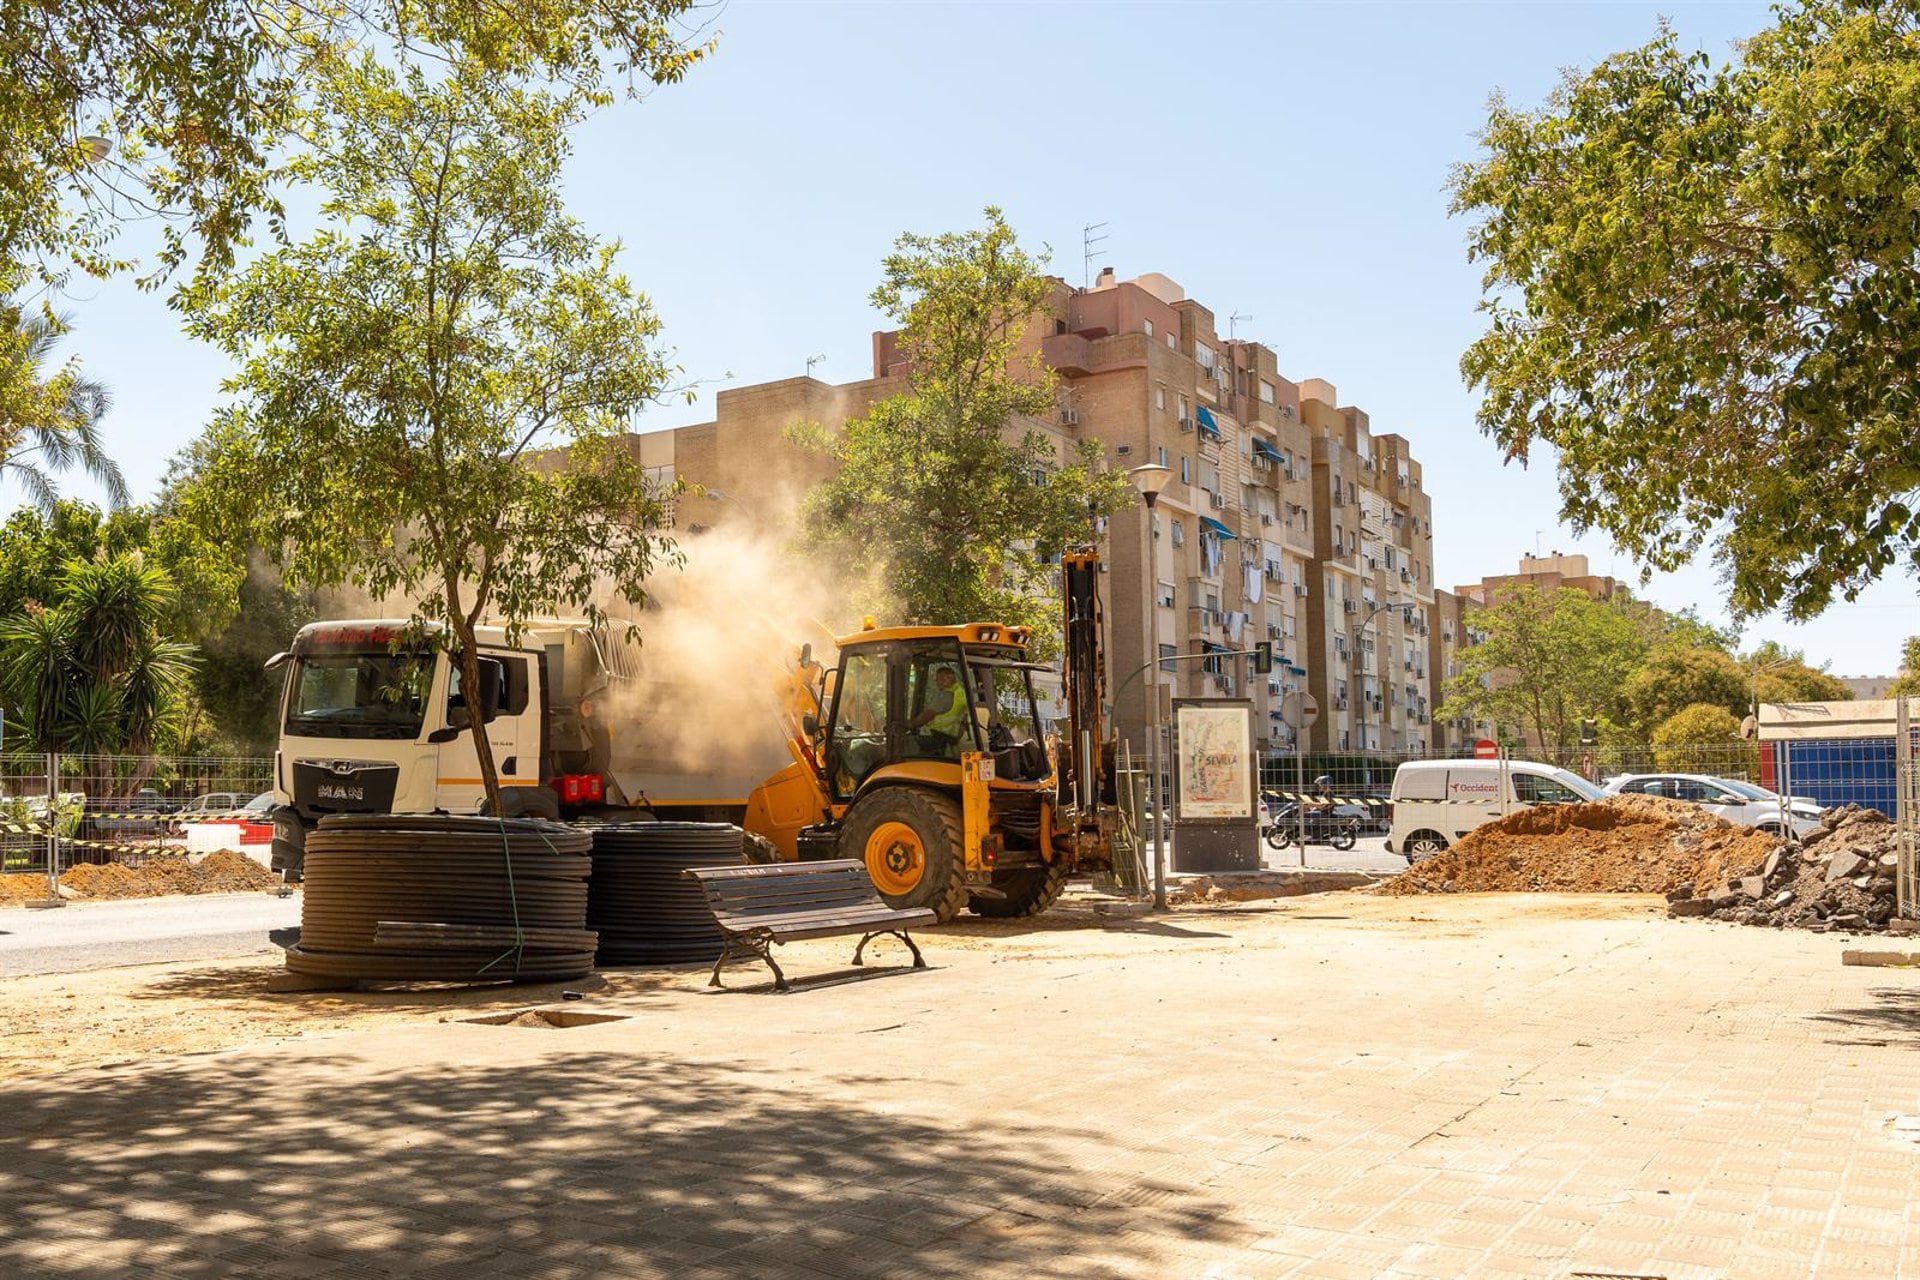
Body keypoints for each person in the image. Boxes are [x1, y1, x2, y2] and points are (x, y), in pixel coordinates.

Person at [909, 665, 969, 755]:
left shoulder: (946, 695)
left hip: (935, 737)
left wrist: (911, 724)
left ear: (949, 678)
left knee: (906, 744)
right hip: (950, 737)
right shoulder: (961, 692)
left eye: (940, 679)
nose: (937, 682)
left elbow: (927, 715)